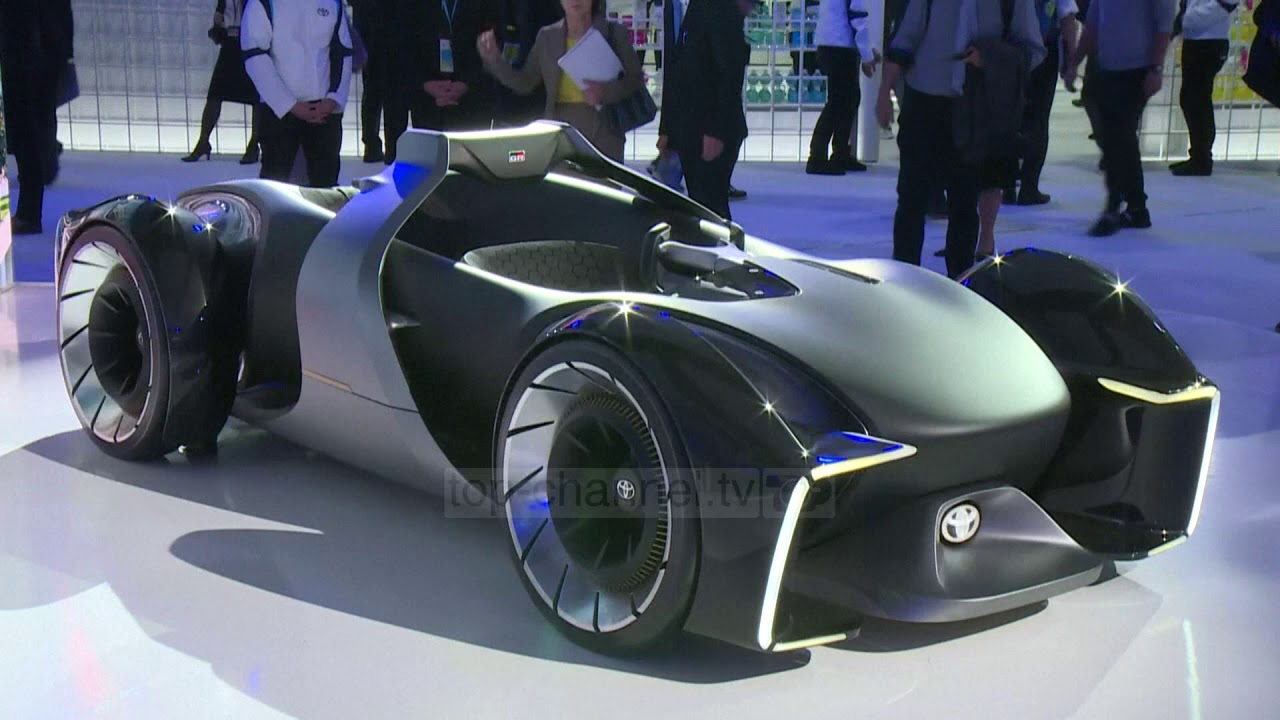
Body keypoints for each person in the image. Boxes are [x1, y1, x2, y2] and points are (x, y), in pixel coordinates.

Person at [877, 0, 1045, 279]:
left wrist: (990, 56)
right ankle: (904, 283)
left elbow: (1033, 51)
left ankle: (960, 285)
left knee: (964, 203)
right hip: (924, 101)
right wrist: (885, 90)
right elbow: (906, 36)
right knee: (911, 199)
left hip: (974, 107)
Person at [478, 0, 645, 161]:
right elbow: (525, 82)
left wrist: (605, 92)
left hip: (605, 133)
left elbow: (634, 78)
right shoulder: (547, 37)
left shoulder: (614, 33)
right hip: (561, 134)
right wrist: (495, 61)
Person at [1064, 0, 1175, 237]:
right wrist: (1074, 63)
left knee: (1120, 135)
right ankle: (1134, 205)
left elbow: (1164, 25)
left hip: (1136, 69)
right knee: (1115, 137)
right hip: (1106, 68)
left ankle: (1118, 204)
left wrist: (1156, 69)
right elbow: (1093, 24)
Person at [241, 0, 354, 188]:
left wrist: (334, 99)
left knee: (326, 188)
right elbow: (254, 57)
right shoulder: (261, 3)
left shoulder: (333, 3)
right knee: (276, 187)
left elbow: (343, 52)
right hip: (279, 112)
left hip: (324, 111)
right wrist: (288, 104)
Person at [658, 0, 751, 220]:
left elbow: (730, 72)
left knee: (711, 210)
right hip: (687, 127)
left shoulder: (717, 6)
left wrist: (717, 130)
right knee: (699, 209)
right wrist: (667, 128)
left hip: (711, 128)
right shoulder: (678, 6)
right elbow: (674, 68)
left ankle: (724, 243)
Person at [0, 0, 73, 234]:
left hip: (26, 51)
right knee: (32, 126)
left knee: (25, 129)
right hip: (38, 49)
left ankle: (29, 212)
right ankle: (29, 209)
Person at [1006, 0, 1080, 204]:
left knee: (1008, 117)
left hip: (1009, 51)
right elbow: (1067, 17)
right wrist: (1072, 59)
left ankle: (1006, 185)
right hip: (1043, 50)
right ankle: (1029, 187)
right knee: (1038, 119)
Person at [184, 0, 263, 165]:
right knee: (215, 93)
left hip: (251, 42)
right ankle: (203, 142)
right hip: (230, 44)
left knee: (257, 96)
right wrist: (217, 26)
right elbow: (221, 10)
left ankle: (254, 144)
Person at [806, 0, 879, 175]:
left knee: (845, 100)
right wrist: (867, 54)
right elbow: (857, 17)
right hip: (840, 46)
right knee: (840, 102)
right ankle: (819, 156)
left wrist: (866, 51)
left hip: (830, 43)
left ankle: (837, 153)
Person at [1170, 0, 1239, 176]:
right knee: (1193, 99)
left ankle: (1201, 158)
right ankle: (1199, 156)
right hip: (1199, 38)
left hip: (1209, 40)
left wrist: (1190, 18)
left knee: (1196, 99)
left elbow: (1229, 3)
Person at [412, 0, 500, 133]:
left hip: (473, 103)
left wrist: (467, 83)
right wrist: (424, 83)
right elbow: (404, 45)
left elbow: (496, 43)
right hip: (427, 103)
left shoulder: (484, 4)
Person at [351, 0, 391, 162]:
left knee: (372, 89)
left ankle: (373, 144)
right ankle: (386, 145)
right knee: (383, 89)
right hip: (381, 25)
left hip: (366, 26)